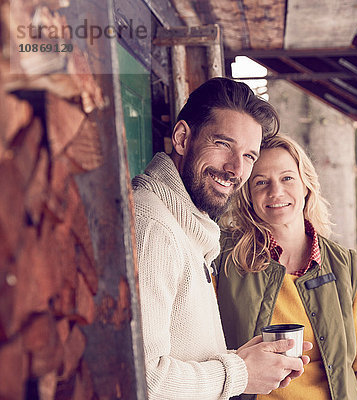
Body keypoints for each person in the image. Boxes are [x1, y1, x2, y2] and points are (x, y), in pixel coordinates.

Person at [132, 78, 311, 400]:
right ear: (183, 138)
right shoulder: (153, 228)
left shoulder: (185, 228)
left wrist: (243, 361)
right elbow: (143, 381)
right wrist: (239, 373)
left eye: (249, 156)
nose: (235, 169)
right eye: (223, 144)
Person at [214, 135, 357, 399]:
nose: (276, 192)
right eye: (261, 182)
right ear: (248, 194)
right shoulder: (223, 260)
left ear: (306, 185)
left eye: (287, 178)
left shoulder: (346, 268)